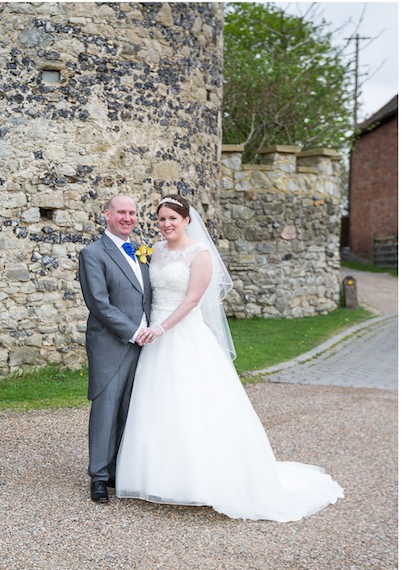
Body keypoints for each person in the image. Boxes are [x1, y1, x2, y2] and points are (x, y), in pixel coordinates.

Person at [116, 195, 344, 520]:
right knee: (158, 403)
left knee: (195, 403)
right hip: (155, 334)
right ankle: (161, 477)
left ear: (186, 221)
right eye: (162, 219)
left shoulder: (200, 253)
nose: (166, 225)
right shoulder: (155, 249)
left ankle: (203, 481)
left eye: (172, 219)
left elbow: (193, 299)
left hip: (181, 334)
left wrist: (162, 328)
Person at [77, 193, 152, 504]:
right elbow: (98, 302)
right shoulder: (92, 253)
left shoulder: (141, 251)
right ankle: (98, 475)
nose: (127, 218)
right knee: (106, 408)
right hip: (112, 342)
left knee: (132, 409)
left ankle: (121, 470)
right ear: (106, 215)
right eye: (121, 212)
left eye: (132, 213)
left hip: (147, 344)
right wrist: (133, 331)